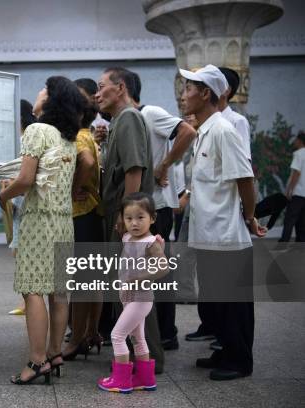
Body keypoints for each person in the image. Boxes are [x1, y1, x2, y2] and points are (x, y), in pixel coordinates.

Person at [180, 64, 266, 381]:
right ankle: (225, 351)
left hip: (226, 235)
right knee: (218, 301)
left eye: (190, 88)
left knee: (234, 304)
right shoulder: (206, 130)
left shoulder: (224, 131)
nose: (184, 94)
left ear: (206, 94)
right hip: (209, 233)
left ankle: (239, 361)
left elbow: (245, 179)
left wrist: (248, 216)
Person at [0, 76, 84, 384]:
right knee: (60, 290)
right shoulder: (68, 138)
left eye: (43, 89)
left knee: (33, 288)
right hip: (64, 221)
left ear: (51, 99)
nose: (38, 93)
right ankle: (54, 352)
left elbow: (24, 180)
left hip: (38, 220)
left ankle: (36, 363)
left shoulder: (37, 130)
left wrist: (3, 195)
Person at [95, 67, 165, 373]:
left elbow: (134, 170)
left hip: (128, 219)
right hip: (121, 215)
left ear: (120, 88)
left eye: (102, 87)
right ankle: (138, 358)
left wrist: (129, 220)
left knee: (137, 292)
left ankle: (148, 362)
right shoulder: (118, 122)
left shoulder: (130, 118)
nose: (97, 94)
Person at [128, 70, 198, 351]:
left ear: (123, 89)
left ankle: (166, 333)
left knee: (158, 272)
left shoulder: (150, 113)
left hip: (157, 208)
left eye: (102, 87)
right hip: (143, 208)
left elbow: (187, 131)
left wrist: (164, 165)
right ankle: (152, 332)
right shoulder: (127, 121)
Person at [98, 192, 167, 393]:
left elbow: (163, 268)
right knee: (138, 338)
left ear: (152, 218)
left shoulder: (151, 242)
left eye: (140, 218)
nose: (134, 223)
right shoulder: (128, 236)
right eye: (129, 218)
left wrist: (138, 279)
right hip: (128, 298)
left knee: (117, 336)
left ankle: (121, 380)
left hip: (141, 298)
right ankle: (145, 379)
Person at [63, 78, 104, 360]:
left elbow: (87, 163)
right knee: (93, 280)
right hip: (93, 212)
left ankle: (76, 339)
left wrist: (73, 187)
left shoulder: (77, 136)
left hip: (80, 214)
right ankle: (91, 332)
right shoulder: (87, 133)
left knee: (81, 282)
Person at [3, 99, 37, 316]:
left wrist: (7, 189)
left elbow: (26, 176)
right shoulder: (25, 138)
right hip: (21, 204)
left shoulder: (28, 139)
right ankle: (27, 303)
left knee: (24, 255)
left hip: (25, 205)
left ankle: (30, 304)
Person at [218, 67, 251, 161]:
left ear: (226, 90)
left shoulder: (237, 121)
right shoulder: (205, 121)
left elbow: (244, 160)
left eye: (214, 84)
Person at [280, 131, 305, 241]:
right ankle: (300, 243)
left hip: (298, 192)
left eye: (295, 140)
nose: (294, 141)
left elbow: (296, 173)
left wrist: (289, 190)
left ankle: (284, 242)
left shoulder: (299, 154)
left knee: (289, 219)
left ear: (300, 141)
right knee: (302, 220)